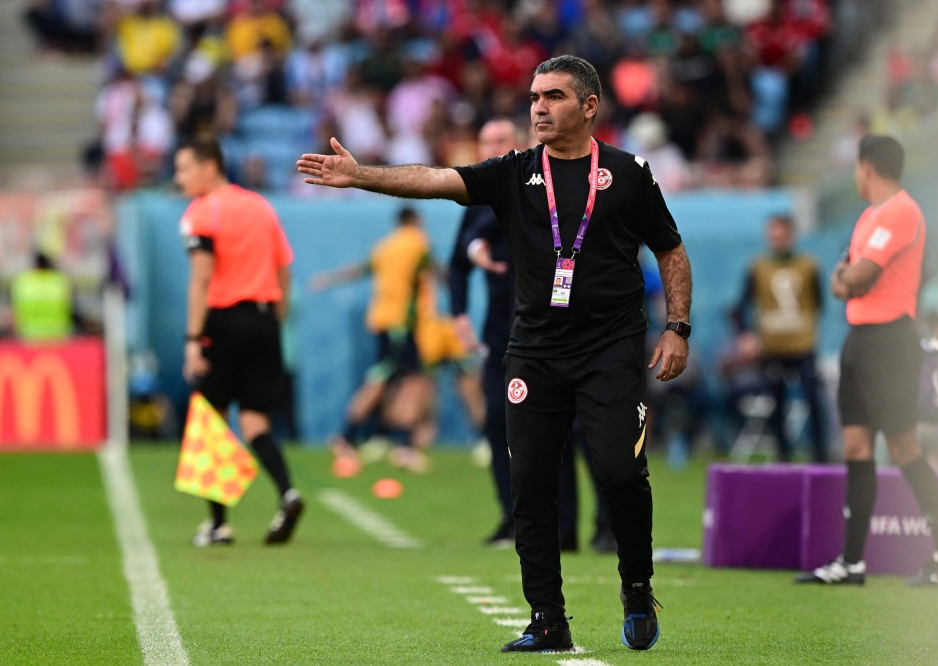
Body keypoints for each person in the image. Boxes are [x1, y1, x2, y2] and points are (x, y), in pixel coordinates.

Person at [298, 55, 693, 653]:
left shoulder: (627, 173)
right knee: (529, 486)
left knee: (618, 471)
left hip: (610, 350)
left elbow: (671, 251)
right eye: (534, 96)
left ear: (589, 107)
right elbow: (435, 179)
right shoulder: (513, 173)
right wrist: (362, 175)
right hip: (533, 352)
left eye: (555, 96)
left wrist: (678, 328)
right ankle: (546, 618)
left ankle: (636, 585)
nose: (539, 107)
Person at [795, 135, 938, 587]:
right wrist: (847, 278)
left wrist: (848, 277)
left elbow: (859, 277)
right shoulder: (868, 217)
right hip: (860, 339)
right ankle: (852, 563)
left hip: (891, 341)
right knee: (856, 447)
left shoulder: (902, 211)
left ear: (868, 166)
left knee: (905, 448)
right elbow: (841, 281)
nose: (855, 176)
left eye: (857, 168)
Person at [175, 137, 304, 547]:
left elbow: (201, 278)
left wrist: (193, 339)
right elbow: (285, 269)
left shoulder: (201, 212)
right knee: (255, 422)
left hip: (223, 322)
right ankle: (288, 492)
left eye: (185, 169)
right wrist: (273, 321)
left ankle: (218, 525)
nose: (179, 178)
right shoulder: (261, 206)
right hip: (265, 320)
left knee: (211, 422)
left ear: (210, 166)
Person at [312, 207, 434, 476]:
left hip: (381, 321)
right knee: (394, 380)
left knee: (397, 379)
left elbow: (361, 269)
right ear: (415, 221)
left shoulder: (385, 246)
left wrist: (329, 279)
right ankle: (355, 437)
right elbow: (434, 270)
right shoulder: (417, 243)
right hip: (401, 324)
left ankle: (391, 441)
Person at [447, 117, 521, 547]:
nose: (493, 148)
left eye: (501, 141)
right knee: (496, 421)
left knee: (568, 432)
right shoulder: (477, 201)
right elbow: (458, 258)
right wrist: (459, 314)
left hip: (544, 328)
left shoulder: (533, 189)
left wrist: (475, 246)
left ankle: (596, 526)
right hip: (499, 331)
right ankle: (510, 516)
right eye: (486, 142)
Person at [732, 214, 827, 462]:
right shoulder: (758, 267)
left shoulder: (808, 266)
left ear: (791, 235)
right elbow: (739, 308)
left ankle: (820, 456)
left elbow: (818, 302)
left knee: (813, 400)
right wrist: (745, 336)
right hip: (773, 347)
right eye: (773, 234)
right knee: (777, 404)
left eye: (782, 234)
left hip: (802, 345)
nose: (778, 239)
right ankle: (783, 457)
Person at [11, 251, 74, 342]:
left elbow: (14, 313)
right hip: (58, 336)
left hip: (29, 337)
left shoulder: (23, 282)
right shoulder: (60, 281)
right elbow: (72, 308)